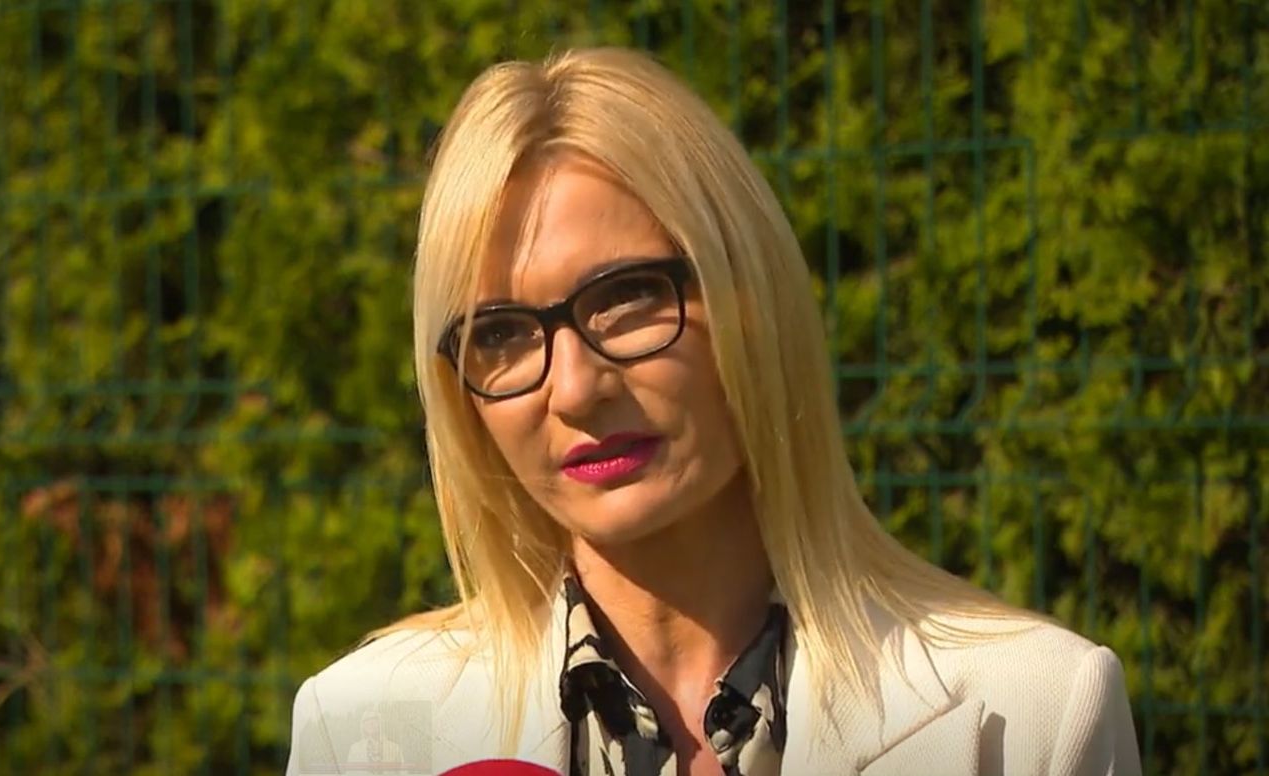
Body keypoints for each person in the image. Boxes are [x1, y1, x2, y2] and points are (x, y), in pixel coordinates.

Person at [286, 47, 1141, 776]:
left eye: (627, 297)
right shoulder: (363, 733)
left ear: (750, 299)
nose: (575, 389)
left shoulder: (1029, 717)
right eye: (502, 334)